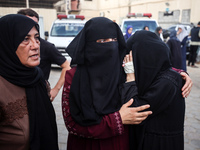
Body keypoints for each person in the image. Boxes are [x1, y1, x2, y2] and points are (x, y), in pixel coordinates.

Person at [62, 17, 153, 150]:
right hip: (85, 145)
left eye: (114, 40)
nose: (110, 46)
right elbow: (71, 124)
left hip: (118, 144)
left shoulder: (125, 70)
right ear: (89, 44)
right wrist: (118, 119)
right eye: (103, 41)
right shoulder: (74, 77)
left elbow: (158, 66)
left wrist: (180, 74)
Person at [0, 14, 58, 150]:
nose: (35, 45)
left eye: (36, 38)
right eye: (25, 39)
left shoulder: (37, 77)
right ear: (7, 43)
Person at [124, 30, 186, 150]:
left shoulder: (168, 81)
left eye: (132, 57)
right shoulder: (156, 75)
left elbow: (136, 110)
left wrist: (130, 77)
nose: (129, 62)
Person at [17, 8, 71, 101]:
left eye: (34, 24)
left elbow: (67, 66)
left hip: (39, 95)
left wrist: (55, 90)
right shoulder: (11, 46)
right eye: (27, 23)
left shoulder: (46, 46)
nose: (34, 46)